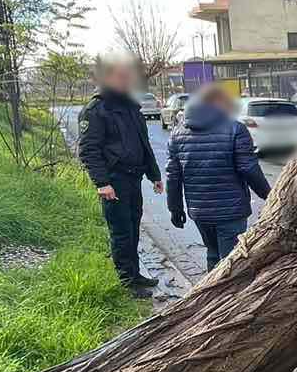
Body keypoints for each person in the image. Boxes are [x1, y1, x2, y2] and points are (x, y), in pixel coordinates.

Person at [78, 59, 164, 297]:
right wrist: (102, 183)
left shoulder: (130, 106)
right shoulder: (96, 110)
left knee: (133, 229)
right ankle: (127, 282)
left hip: (133, 179)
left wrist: (154, 174)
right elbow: (88, 150)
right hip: (114, 182)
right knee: (121, 233)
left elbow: (143, 144)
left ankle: (135, 274)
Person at [165, 83, 272, 270]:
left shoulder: (177, 134)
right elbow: (248, 169)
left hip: (199, 212)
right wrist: (270, 196)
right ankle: (231, 297)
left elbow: (173, 177)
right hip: (231, 210)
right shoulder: (235, 129)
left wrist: (175, 209)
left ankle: (209, 294)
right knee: (232, 261)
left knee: (213, 254)